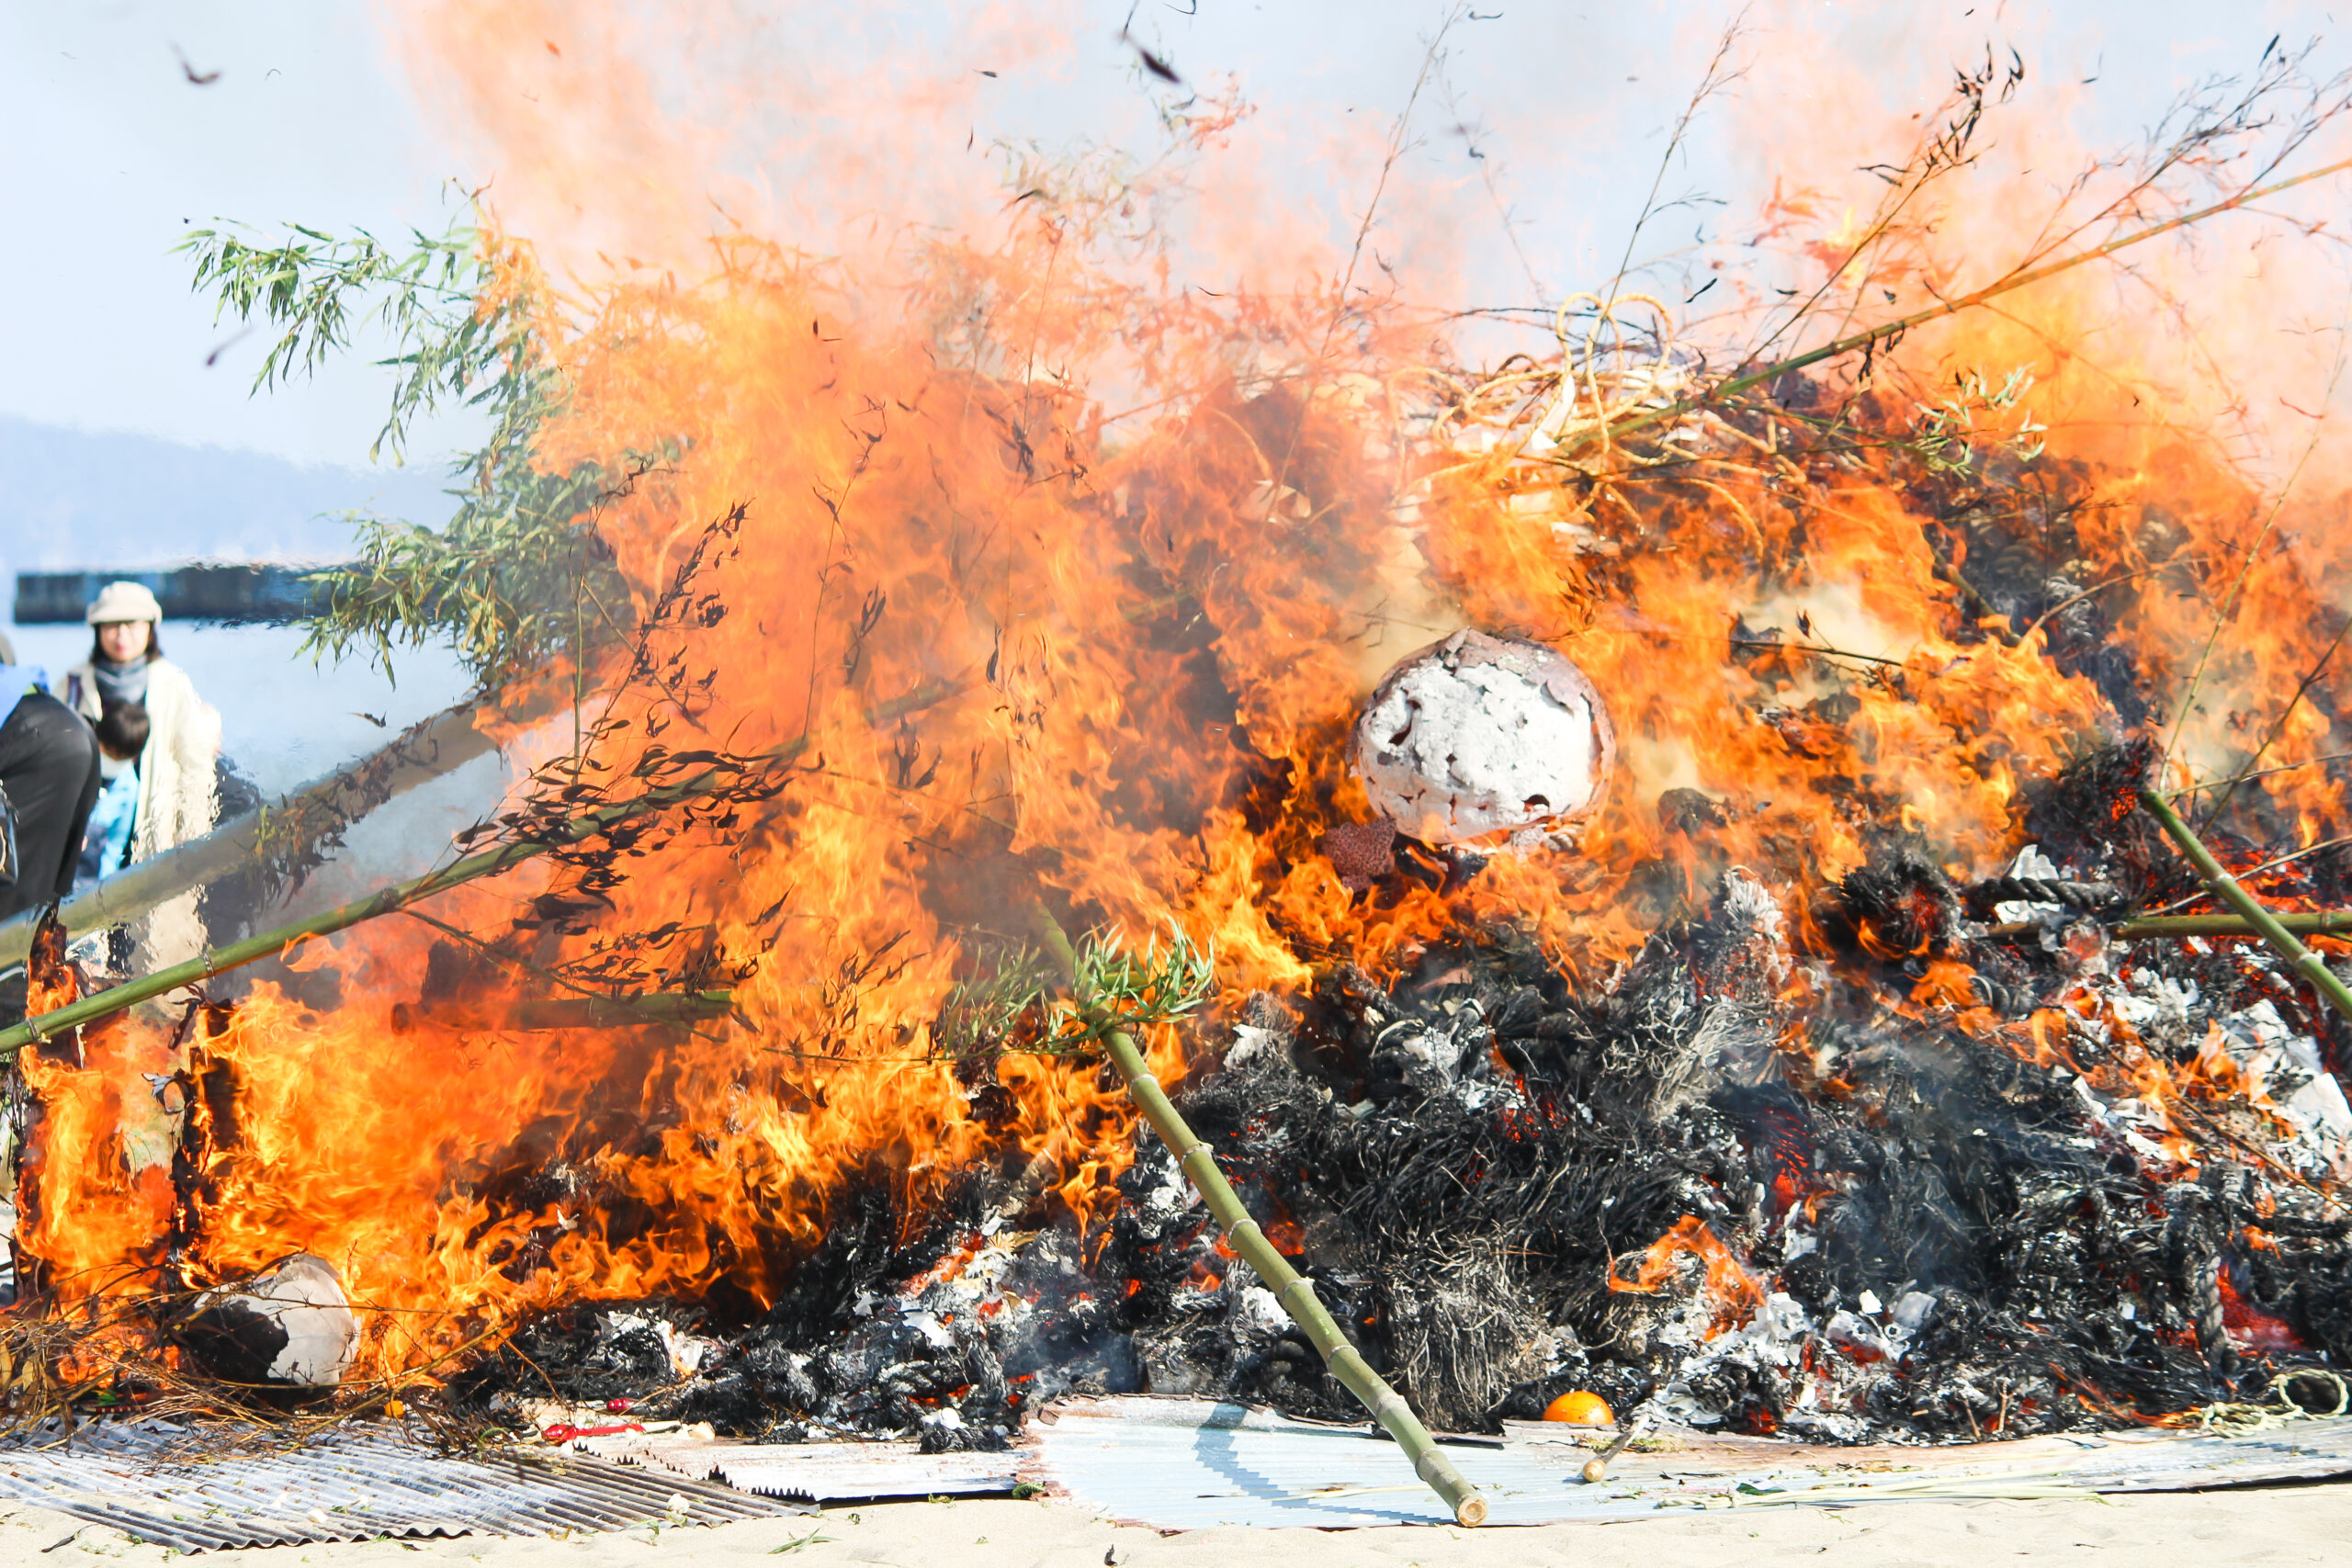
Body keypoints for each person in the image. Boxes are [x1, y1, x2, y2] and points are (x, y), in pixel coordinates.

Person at [58, 582, 220, 968]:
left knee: (157, 953)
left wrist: (194, 841)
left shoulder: (172, 685)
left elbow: (196, 765)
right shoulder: (75, 684)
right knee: (81, 952)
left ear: (150, 628)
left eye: (132, 624)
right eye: (111, 625)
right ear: (97, 631)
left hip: (154, 837)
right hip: (88, 846)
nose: (122, 634)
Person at [0, 632, 102, 931]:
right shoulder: (15, 682)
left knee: (13, 912)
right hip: (76, 733)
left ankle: (14, 975)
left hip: (35, 743)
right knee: (48, 905)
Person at [76, 702, 150, 886]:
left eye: (119, 757)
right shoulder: (78, 760)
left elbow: (115, 845)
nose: (111, 760)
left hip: (86, 876)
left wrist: (101, 886)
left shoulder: (129, 788)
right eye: (107, 751)